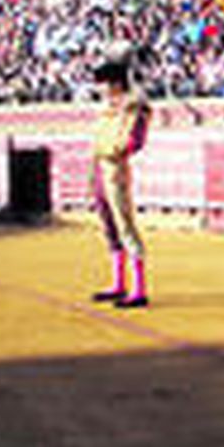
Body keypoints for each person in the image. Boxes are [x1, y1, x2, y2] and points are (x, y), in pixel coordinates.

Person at [87, 59, 150, 309]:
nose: (99, 89)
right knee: (109, 227)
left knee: (125, 226)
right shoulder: (108, 109)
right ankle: (119, 283)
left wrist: (115, 150)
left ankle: (139, 289)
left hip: (115, 169)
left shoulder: (132, 108)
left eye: (102, 84)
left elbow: (135, 141)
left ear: (115, 84)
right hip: (100, 168)